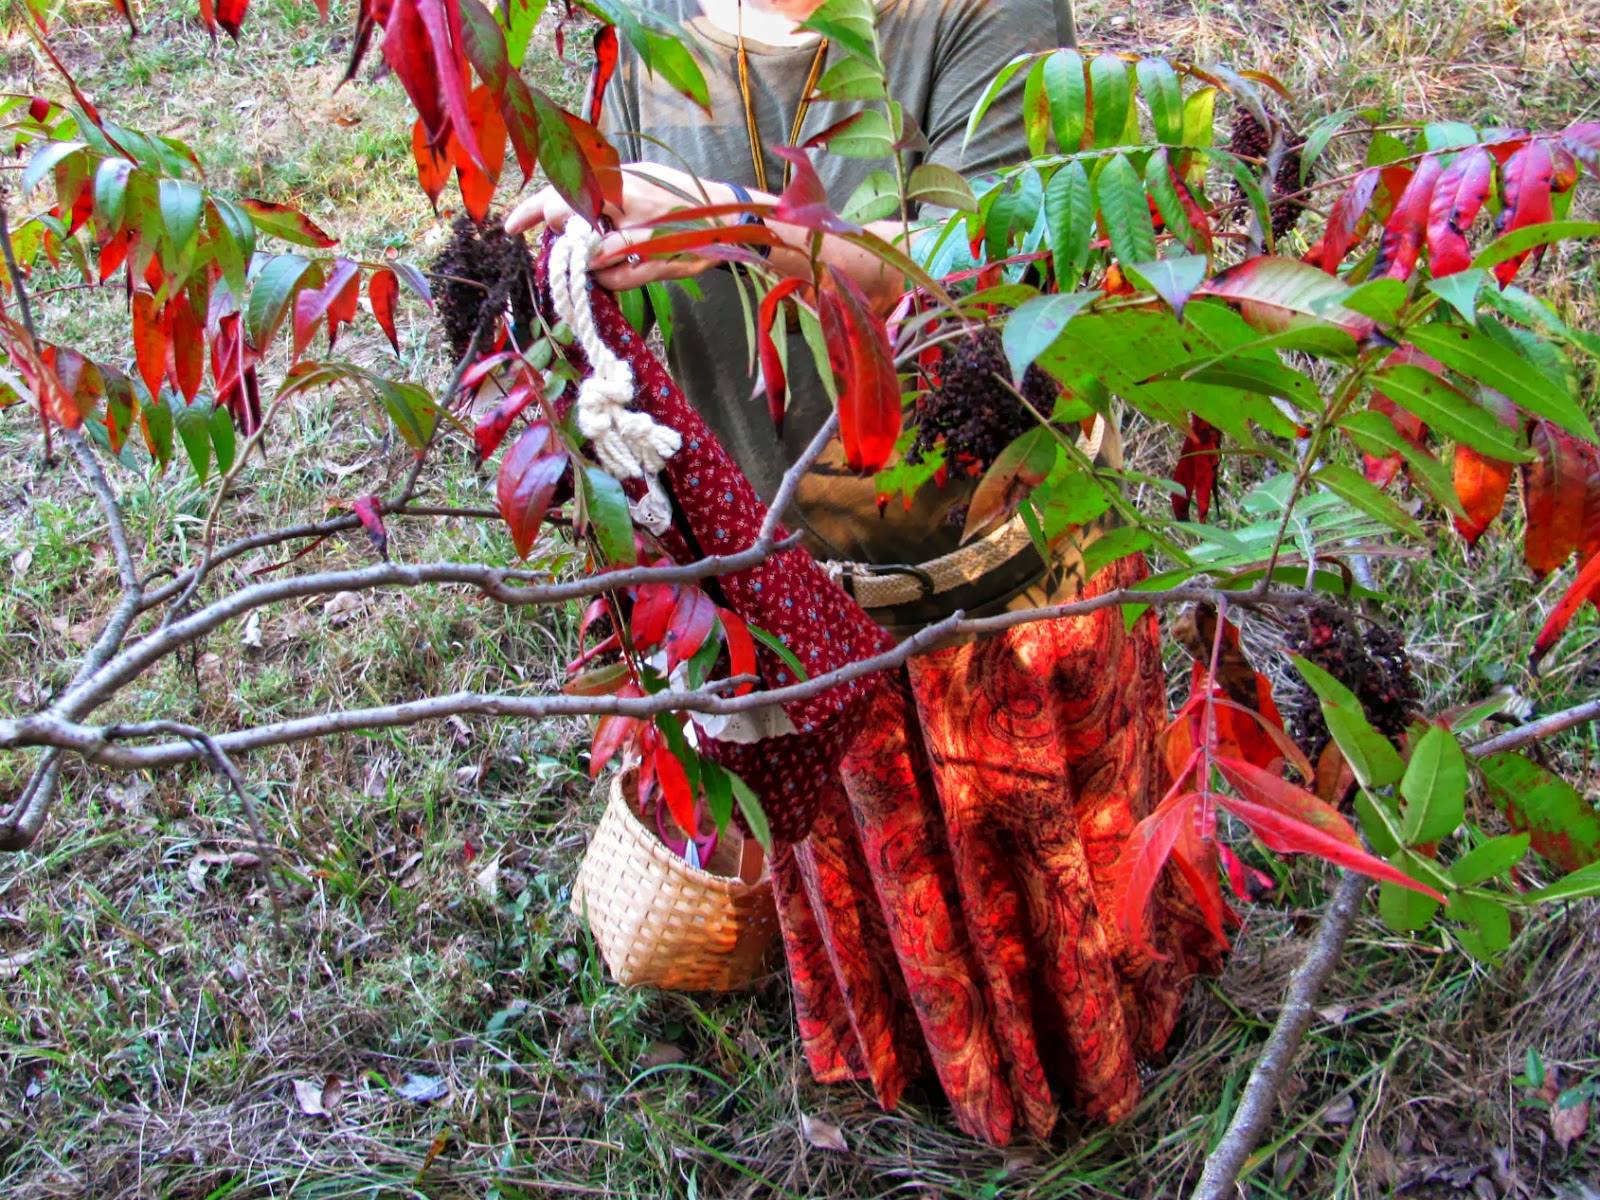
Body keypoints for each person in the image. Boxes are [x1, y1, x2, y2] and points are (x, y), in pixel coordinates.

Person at [507, 0, 1221, 1146]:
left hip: (969, 547)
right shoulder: (638, 21)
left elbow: (982, 281)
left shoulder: (973, 17)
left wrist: (723, 221)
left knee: (1015, 833)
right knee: (871, 823)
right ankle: (931, 1052)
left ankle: (1084, 1053)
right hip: (767, 539)